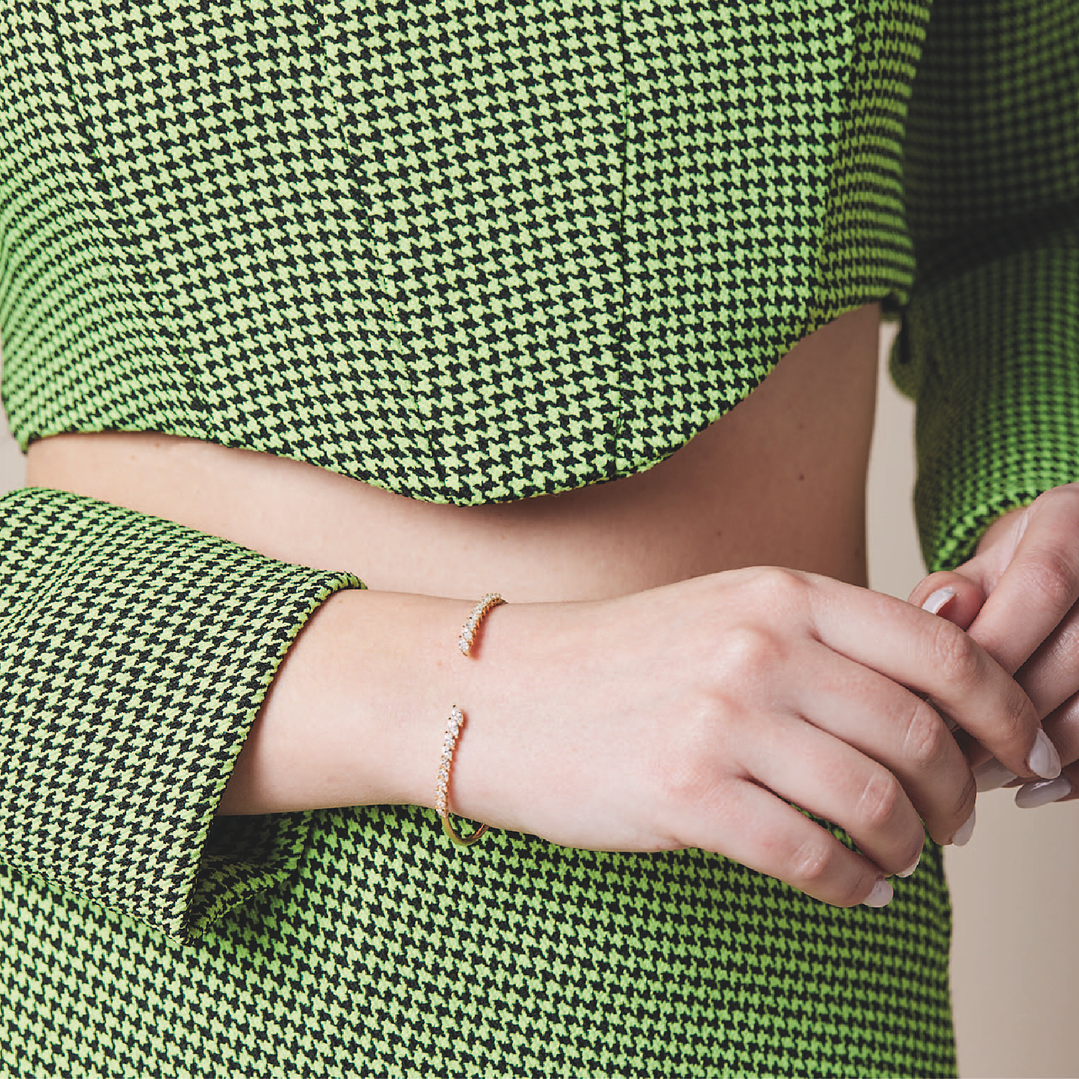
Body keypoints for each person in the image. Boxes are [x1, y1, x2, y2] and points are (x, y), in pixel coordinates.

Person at [0, 1, 1075, 1075]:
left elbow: (1023, 207)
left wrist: (1041, 497)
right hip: (179, 940)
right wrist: (472, 686)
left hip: (789, 938)